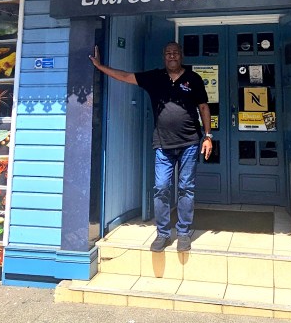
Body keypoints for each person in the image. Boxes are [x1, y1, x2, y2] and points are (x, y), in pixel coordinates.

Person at [90, 41, 212, 252]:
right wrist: (101, 67)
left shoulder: (193, 79)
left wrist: (208, 136)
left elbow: (203, 107)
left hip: (190, 143)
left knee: (186, 188)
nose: (172, 56)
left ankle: (183, 232)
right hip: (163, 144)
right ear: (164, 56)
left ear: (181, 55)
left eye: (175, 53)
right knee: (162, 187)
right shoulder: (155, 77)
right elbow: (125, 76)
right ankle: (163, 233)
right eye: (168, 53)